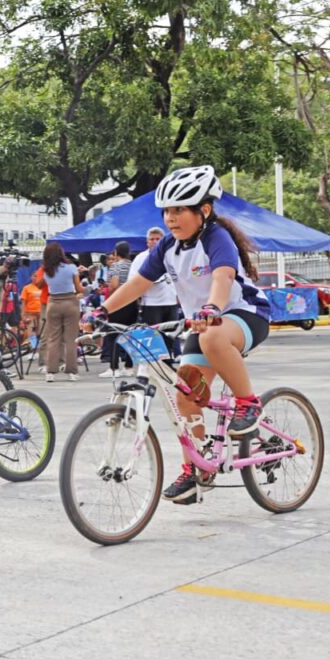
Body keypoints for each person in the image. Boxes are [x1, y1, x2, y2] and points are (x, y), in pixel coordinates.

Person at [87, 165, 270, 505]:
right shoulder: (167, 247)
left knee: (212, 337)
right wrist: (103, 311)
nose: (171, 218)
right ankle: (197, 469)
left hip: (243, 315)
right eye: (167, 211)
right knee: (185, 393)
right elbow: (138, 284)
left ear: (204, 210)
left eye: (179, 210)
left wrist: (213, 308)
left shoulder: (217, 238)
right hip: (203, 325)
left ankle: (248, 403)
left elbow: (223, 278)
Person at [133, 227, 181, 355]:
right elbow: (133, 280)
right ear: (147, 242)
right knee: (154, 334)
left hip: (170, 301)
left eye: (157, 239)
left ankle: (170, 358)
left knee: (171, 333)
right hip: (151, 303)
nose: (154, 242)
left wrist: (178, 295)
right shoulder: (141, 258)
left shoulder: (172, 255)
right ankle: (157, 360)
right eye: (151, 239)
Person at [40, 243, 84, 382]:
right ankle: (72, 371)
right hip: (70, 302)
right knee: (71, 339)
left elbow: (39, 284)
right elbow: (79, 289)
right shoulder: (71, 268)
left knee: (53, 338)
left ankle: (50, 371)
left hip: (53, 303)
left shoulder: (47, 271)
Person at [99, 241, 136, 377]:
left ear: (116, 252)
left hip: (118, 303)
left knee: (113, 334)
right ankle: (129, 366)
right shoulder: (133, 265)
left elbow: (114, 284)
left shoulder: (115, 267)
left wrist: (109, 290)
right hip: (132, 302)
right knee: (129, 334)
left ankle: (114, 367)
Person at [20, 279, 42, 344]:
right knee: (31, 332)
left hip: (41, 313)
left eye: (37, 276)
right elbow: (23, 303)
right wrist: (23, 315)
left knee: (41, 331)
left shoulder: (43, 287)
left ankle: (42, 348)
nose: (36, 278)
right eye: (34, 276)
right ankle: (34, 347)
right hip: (30, 314)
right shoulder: (26, 288)